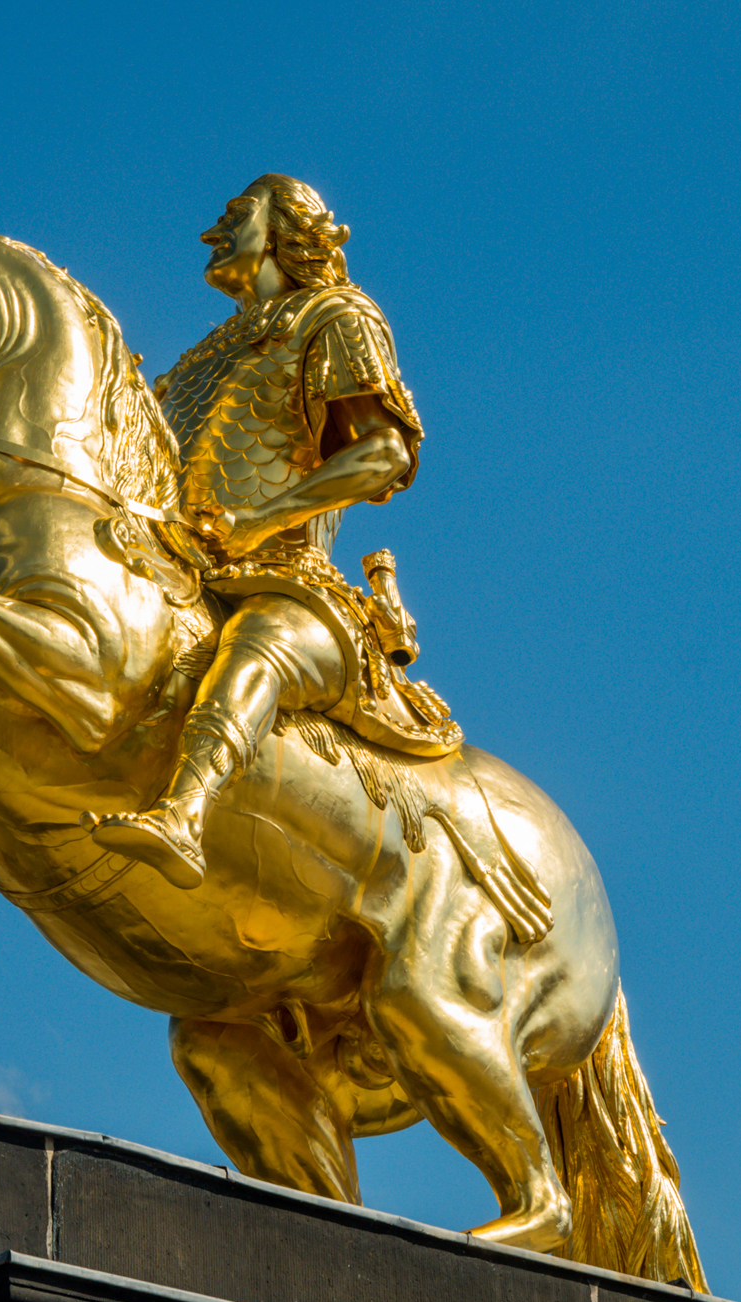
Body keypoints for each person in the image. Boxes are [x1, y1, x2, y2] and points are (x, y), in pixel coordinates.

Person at [84, 174, 434, 890]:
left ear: (286, 232)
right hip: (180, 565)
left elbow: (383, 453)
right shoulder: (193, 361)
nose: (215, 231)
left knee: (259, 646)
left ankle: (185, 812)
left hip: (286, 581)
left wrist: (261, 520)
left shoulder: (336, 317)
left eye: (236, 214)